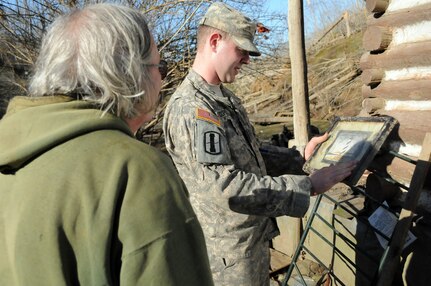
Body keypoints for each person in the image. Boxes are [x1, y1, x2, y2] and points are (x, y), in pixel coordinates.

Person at [0, 3, 214, 285]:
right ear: (129, 74)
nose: (162, 77)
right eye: (158, 66)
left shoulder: (10, 152)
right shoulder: (137, 172)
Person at [163, 2, 356, 285]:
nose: (248, 60)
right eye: (241, 50)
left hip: (248, 246)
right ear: (215, 41)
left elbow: (249, 153)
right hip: (227, 260)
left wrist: (299, 156)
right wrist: (309, 186)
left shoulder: (222, 98)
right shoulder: (192, 108)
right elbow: (225, 188)